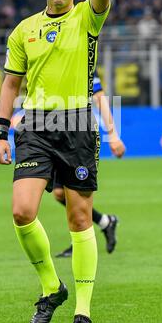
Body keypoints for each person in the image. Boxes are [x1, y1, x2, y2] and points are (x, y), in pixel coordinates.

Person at [0, 0, 122, 323]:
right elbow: (11, 85)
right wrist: (0, 131)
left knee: (80, 219)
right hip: (35, 129)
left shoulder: (88, 16)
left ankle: (82, 311)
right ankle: (52, 287)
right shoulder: (23, 31)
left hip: (79, 126)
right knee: (22, 210)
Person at [55, 69, 126, 258]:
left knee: (76, 192)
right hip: (53, 134)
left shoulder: (83, 59)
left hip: (79, 136)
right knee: (59, 193)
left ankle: (79, 242)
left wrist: (113, 135)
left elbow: (99, 97)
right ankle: (105, 222)